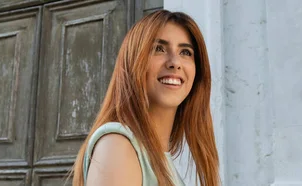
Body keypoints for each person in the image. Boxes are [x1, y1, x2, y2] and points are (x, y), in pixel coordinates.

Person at [70, 10, 220, 186]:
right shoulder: (118, 144)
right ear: (133, 61)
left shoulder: (160, 159)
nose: (175, 62)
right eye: (158, 49)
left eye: (185, 52)